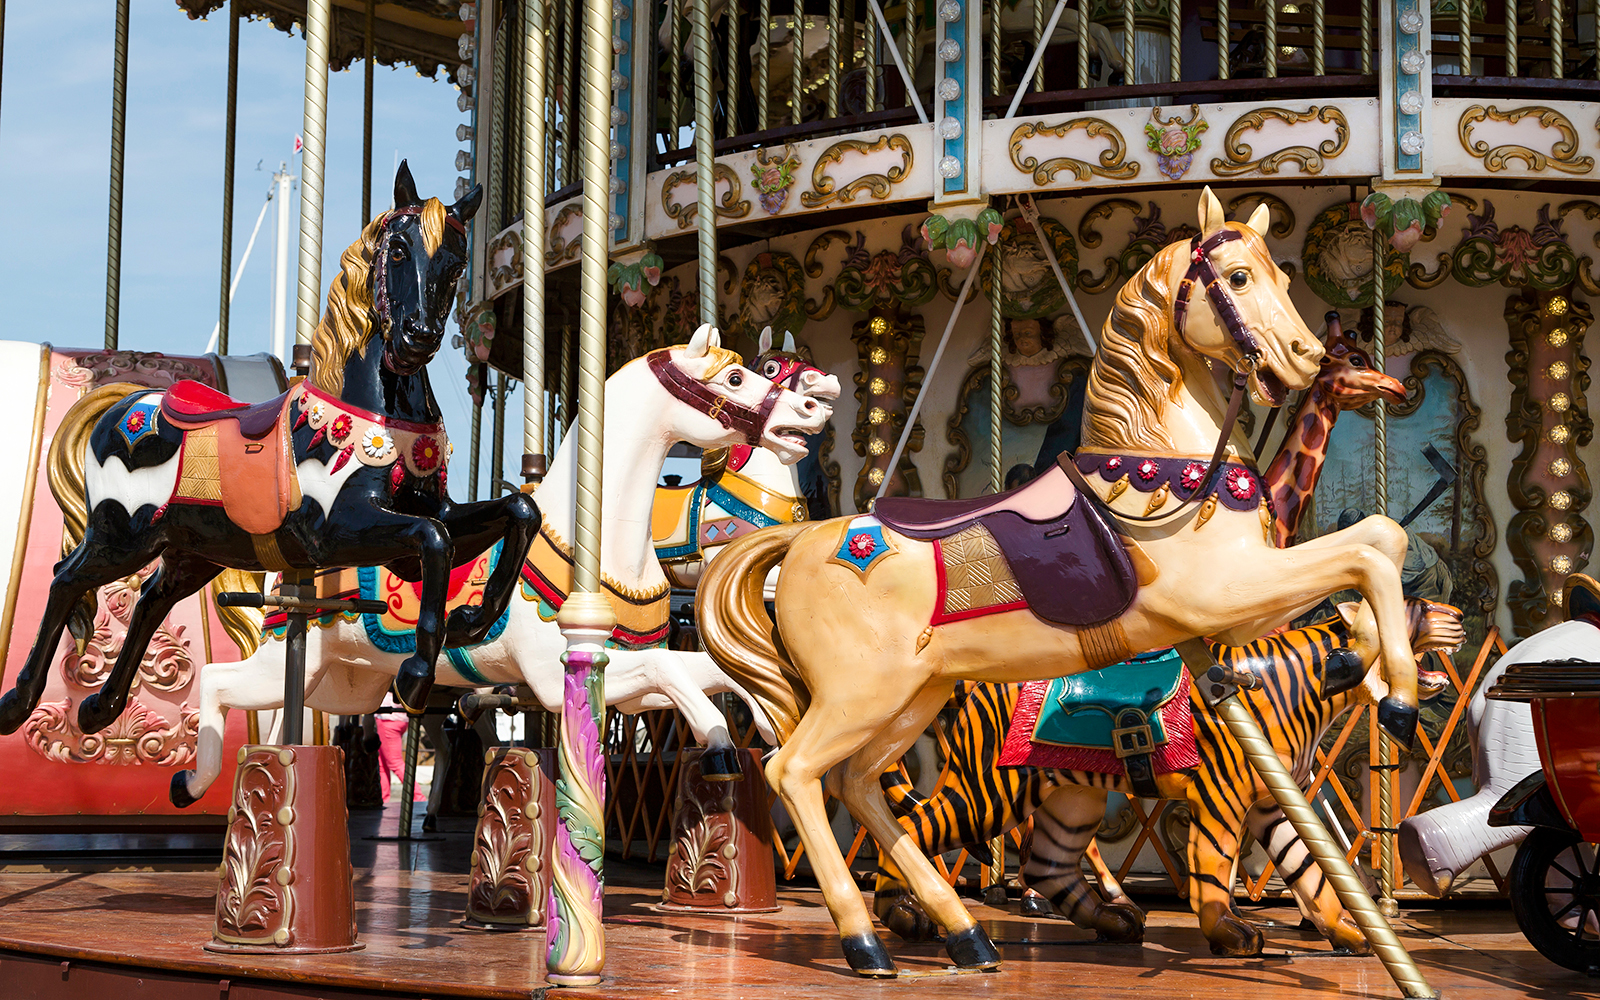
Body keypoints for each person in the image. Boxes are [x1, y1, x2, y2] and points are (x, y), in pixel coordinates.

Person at [374, 692, 425, 803]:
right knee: (382, 763)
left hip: (388, 719)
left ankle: (418, 796)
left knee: (394, 762)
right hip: (399, 718)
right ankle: (383, 797)